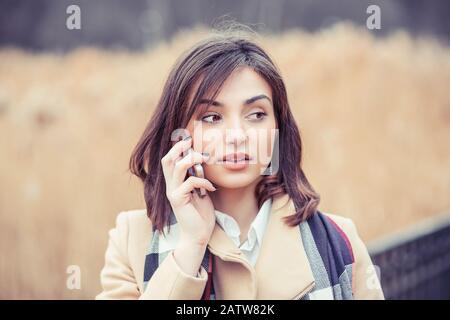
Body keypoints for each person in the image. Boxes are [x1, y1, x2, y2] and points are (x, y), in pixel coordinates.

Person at [96, 25, 384, 300]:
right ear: (179, 133)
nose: (236, 136)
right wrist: (191, 246)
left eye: (256, 114)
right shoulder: (132, 239)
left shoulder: (337, 241)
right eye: (212, 117)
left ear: (277, 127)